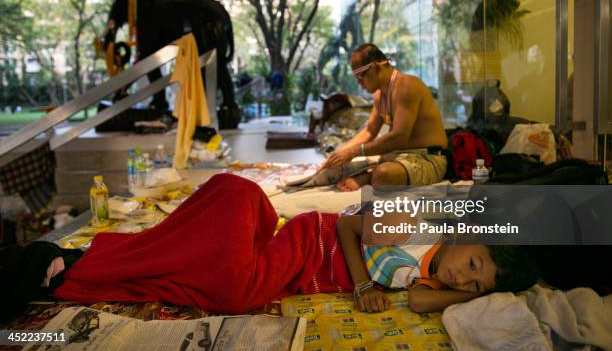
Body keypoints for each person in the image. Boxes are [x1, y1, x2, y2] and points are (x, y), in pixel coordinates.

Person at [3, 175, 538, 322]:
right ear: (470, 236)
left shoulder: (426, 282)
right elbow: (351, 227)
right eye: (473, 265)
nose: (462, 279)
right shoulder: (421, 225)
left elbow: (423, 303)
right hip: (312, 242)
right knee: (236, 284)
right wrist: (358, 283)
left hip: (294, 270)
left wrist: (467, 292)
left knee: (221, 275)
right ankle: (90, 257)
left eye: (473, 284)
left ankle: (93, 262)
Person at [323, 44, 448, 191]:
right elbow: (369, 132)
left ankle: (368, 177)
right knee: (337, 168)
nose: (359, 83)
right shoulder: (380, 95)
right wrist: (337, 155)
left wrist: (354, 152)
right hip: (396, 157)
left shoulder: (406, 85)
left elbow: (399, 137)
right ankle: (368, 175)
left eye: (361, 76)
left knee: (383, 175)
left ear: (376, 68)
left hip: (427, 158)